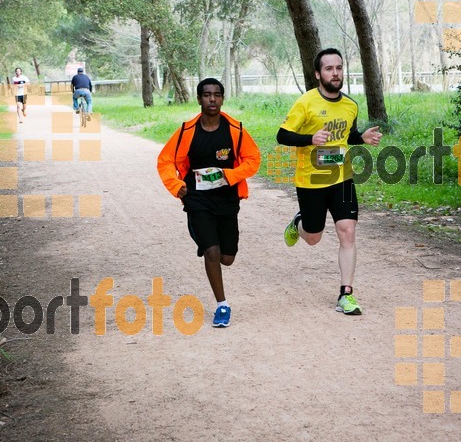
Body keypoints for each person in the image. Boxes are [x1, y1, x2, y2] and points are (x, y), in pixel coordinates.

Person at [276, 48, 382, 316]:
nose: (335, 73)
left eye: (339, 68)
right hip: (311, 181)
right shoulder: (305, 103)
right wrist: (309, 139)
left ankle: (346, 294)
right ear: (317, 74)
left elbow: (347, 136)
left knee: (347, 231)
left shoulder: (350, 105)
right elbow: (282, 136)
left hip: (342, 179)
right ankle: (299, 223)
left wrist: (362, 138)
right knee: (313, 238)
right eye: (329, 69)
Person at [157, 78, 260, 328]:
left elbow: (253, 159)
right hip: (197, 199)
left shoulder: (235, 130)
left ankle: (217, 250)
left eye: (216, 95)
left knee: (227, 257)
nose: (211, 99)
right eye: (206, 95)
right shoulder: (187, 131)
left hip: (227, 199)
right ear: (199, 99)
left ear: (223, 99)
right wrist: (177, 186)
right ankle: (221, 305)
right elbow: (165, 161)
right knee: (212, 252)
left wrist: (229, 176)